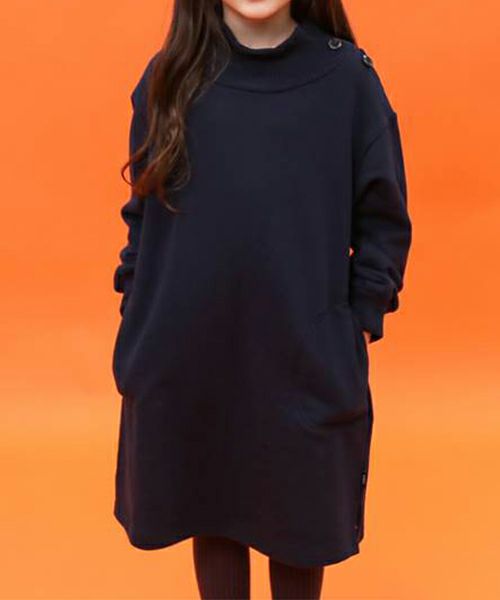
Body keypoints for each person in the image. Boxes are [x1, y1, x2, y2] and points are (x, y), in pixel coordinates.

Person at [111, 0, 413, 598]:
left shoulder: (347, 81)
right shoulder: (171, 76)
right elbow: (144, 214)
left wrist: (356, 321)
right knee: (209, 499)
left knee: (299, 516)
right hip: (187, 353)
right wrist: (136, 304)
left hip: (304, 354)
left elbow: (384, 219)